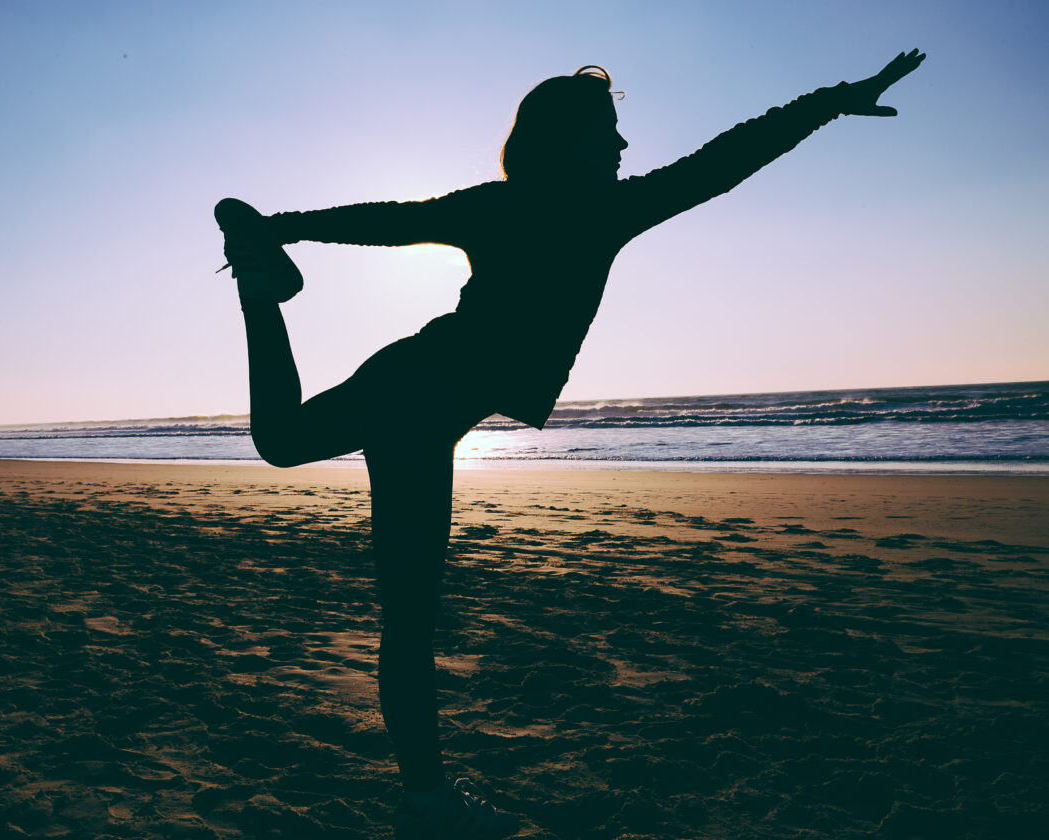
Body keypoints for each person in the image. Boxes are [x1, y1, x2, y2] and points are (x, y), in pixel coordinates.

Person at [216, 49, 925, 840]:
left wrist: (280, 228)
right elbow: (724, 160)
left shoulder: (517, 205)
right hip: (417, 402)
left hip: (410, 378)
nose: (622, 145)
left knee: (282, 442)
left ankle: (259, 284)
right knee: (408, 618)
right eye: (606, 130)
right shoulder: (598, 211)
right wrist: (834, 100)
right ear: (567, 138)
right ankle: (428, 804)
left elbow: (393, 219)